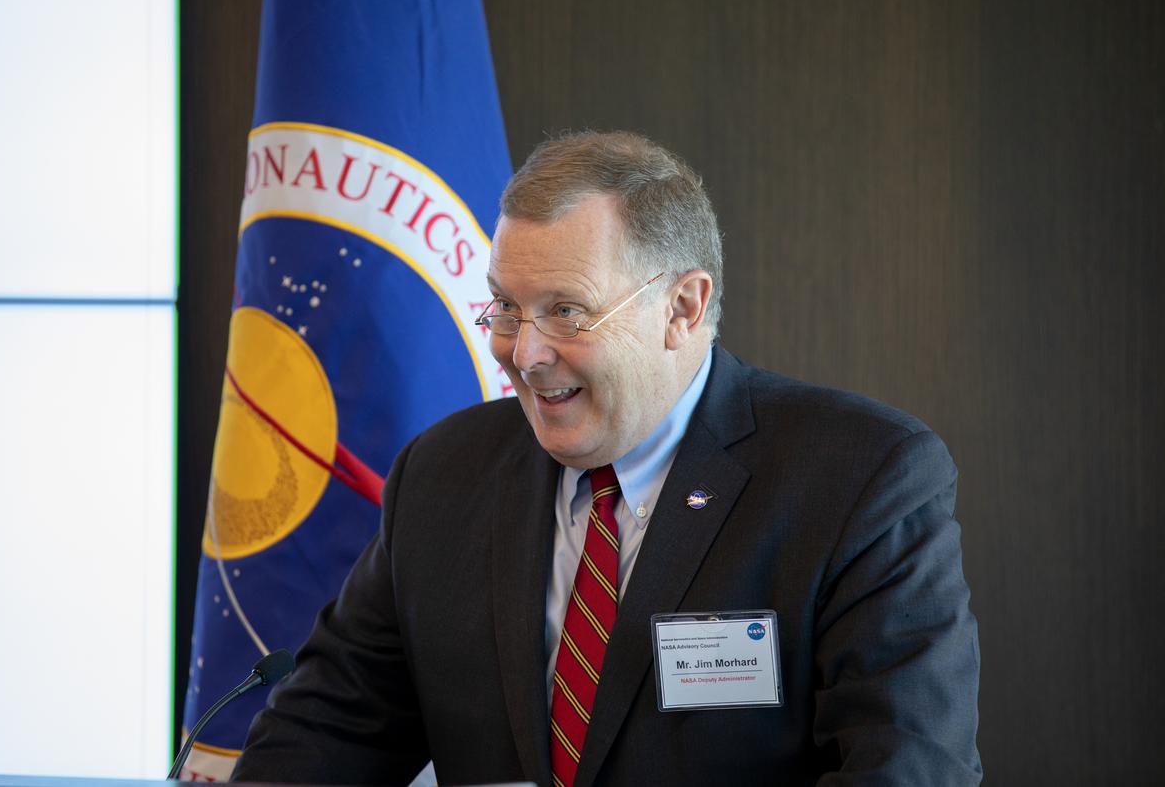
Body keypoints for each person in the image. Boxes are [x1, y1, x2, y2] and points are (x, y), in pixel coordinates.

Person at [231, 131, 982, 786]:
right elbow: (322, 737)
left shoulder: (860, 478)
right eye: (507, 307)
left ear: (683, 308)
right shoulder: (442, 476)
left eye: (566, 310)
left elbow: (908, 767)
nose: (522, 353)